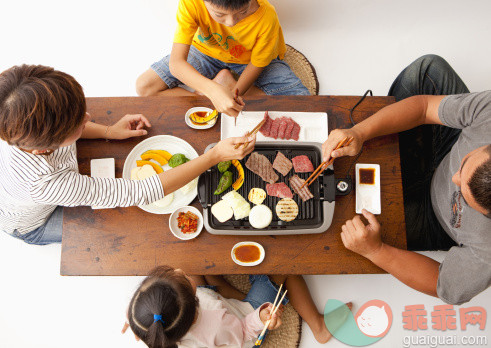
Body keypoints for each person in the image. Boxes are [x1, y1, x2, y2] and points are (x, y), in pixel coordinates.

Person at [0, 64, 255, 245]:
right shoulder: (46, 183)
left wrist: (109, 130)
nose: (88, 118)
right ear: (44, 146)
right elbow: (137, 192)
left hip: (35, 185)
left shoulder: (26, 116)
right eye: (78, 123)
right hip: (32, 222)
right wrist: (213, 157)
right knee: (102, 234)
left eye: (82, 110)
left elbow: (72, 125)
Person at [322, 55, 490, 305]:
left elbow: (440, 283)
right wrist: (359, 132)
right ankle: (388, 140)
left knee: (350, 230)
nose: (454, 178)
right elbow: (424, 107)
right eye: (464, 166)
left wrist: (376, 250)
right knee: (427, 71)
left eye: (464, 197)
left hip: (434, 220)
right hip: (443, 147)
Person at [136, 0, 310, 117]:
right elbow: (176, 63)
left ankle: (226, 84)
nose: (231, 22)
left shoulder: (267, 16)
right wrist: (213, 91)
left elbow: (257, 64)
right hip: (206, 51)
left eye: (243, 12)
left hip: (247, 61)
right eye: (219, 15)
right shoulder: (190, 3)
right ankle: (218, 89)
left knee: (303, 102)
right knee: (144, 86)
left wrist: (235, 93)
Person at [122, 266, 349, 347]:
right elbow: (243, 332)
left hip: (213, 309)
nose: (178, 272)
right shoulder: (216, 324)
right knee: (284, 268)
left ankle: (225, 289)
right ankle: (319, 327)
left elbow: (149, 322)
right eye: (179, 279)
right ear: (194, 302)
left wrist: (142, 317)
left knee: (193, 265)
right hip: (240, 327)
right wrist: (261, 318)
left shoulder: (154, 329)